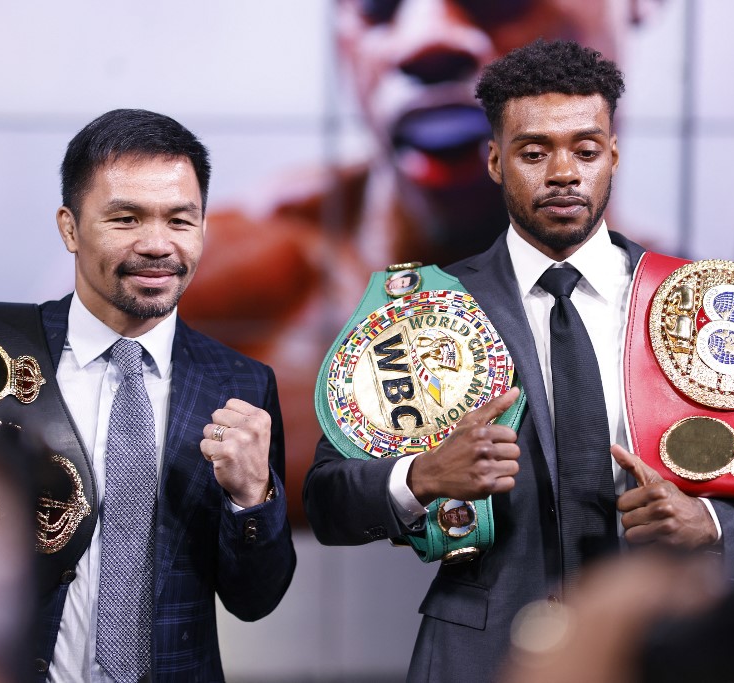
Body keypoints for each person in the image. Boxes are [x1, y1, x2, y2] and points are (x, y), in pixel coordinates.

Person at [303, 40, 734, 682]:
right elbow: (328, 499)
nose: (563, 172)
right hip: (481, 653)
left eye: (585, 150)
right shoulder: (422, 312)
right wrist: (420, 475)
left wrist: (715, 523)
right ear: (496, 161)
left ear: (612, 155)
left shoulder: (698, 303)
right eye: (534, 152)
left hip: (678, 644)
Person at [0, 109, 296, 683]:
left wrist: (253, 499)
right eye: (126, 219)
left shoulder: (241, 384)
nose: (158, 245)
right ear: (70, 228)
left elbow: (256, 599)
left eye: (181, 221)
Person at [179, 0, 654, 522]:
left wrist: (715, 527)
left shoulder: (705, 318)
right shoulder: (212, 290)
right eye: (377, 6)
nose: (425, 41)